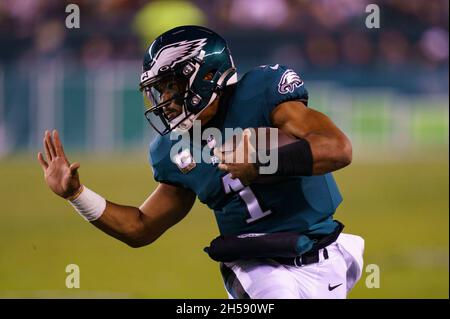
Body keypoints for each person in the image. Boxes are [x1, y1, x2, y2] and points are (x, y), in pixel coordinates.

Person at [38, 25, 364, 299]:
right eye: (158, 91)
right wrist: (77, 195)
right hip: (256, 266)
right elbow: (141, 226)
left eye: (170, 88)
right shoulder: (172, 148)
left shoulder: (262, 94)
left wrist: (262, 161)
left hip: (327, 253)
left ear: (205, 75)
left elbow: (337, 149)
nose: (163, 102)